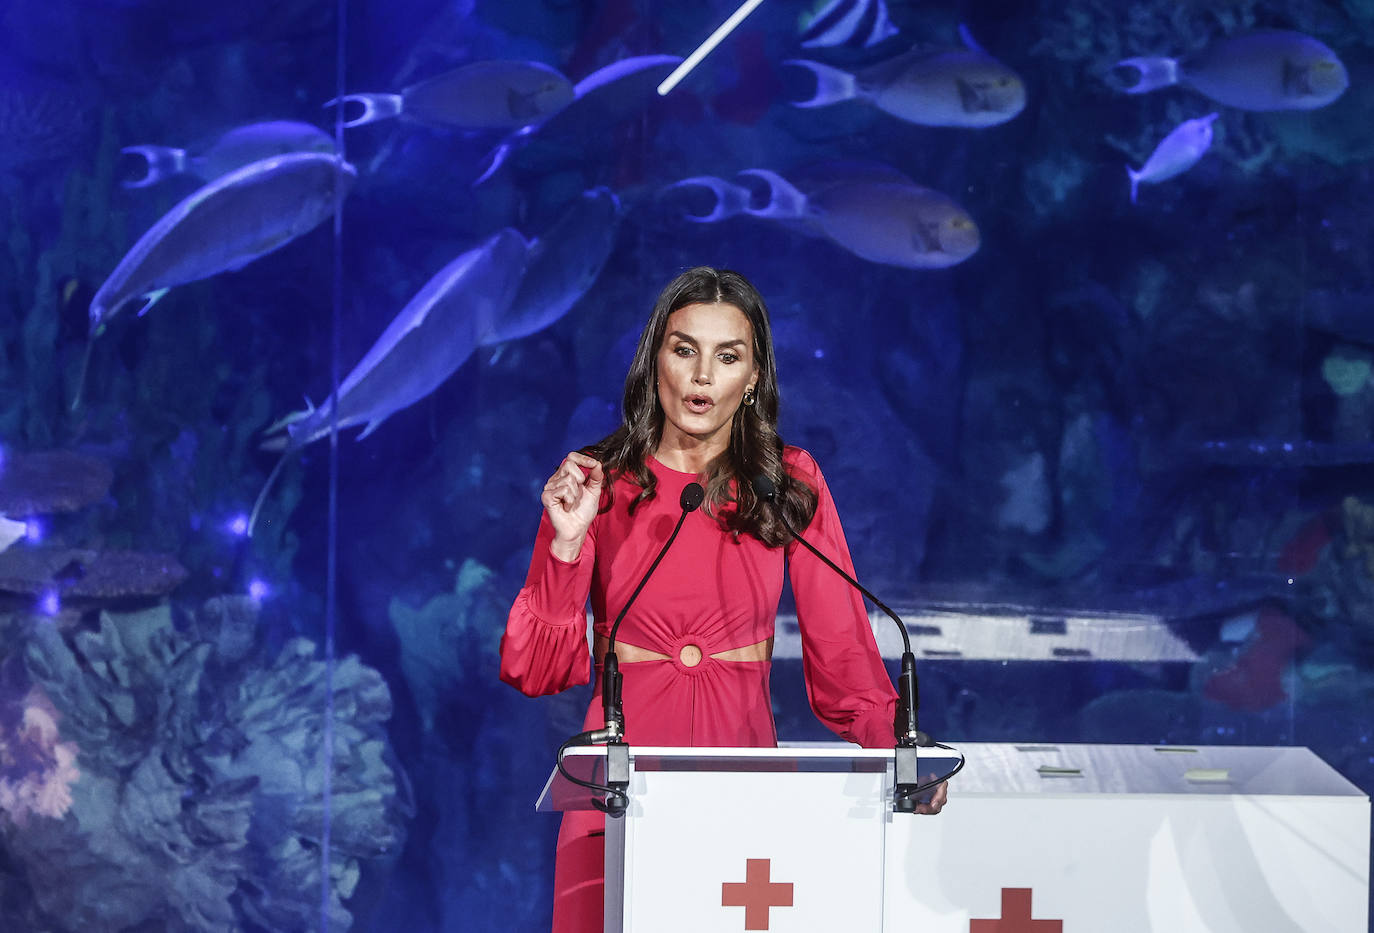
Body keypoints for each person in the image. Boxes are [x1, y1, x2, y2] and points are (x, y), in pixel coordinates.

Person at [500, 266, 946, 933]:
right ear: (656, 361)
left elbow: (845, 659)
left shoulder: (789, 483)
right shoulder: (596, 481)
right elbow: (538, 669)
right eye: (684, 349)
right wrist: (567, 545)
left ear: (754, 376)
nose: (702, 375)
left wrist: (900, 745)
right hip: (614, 795)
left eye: (727, 356)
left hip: (742, 790)